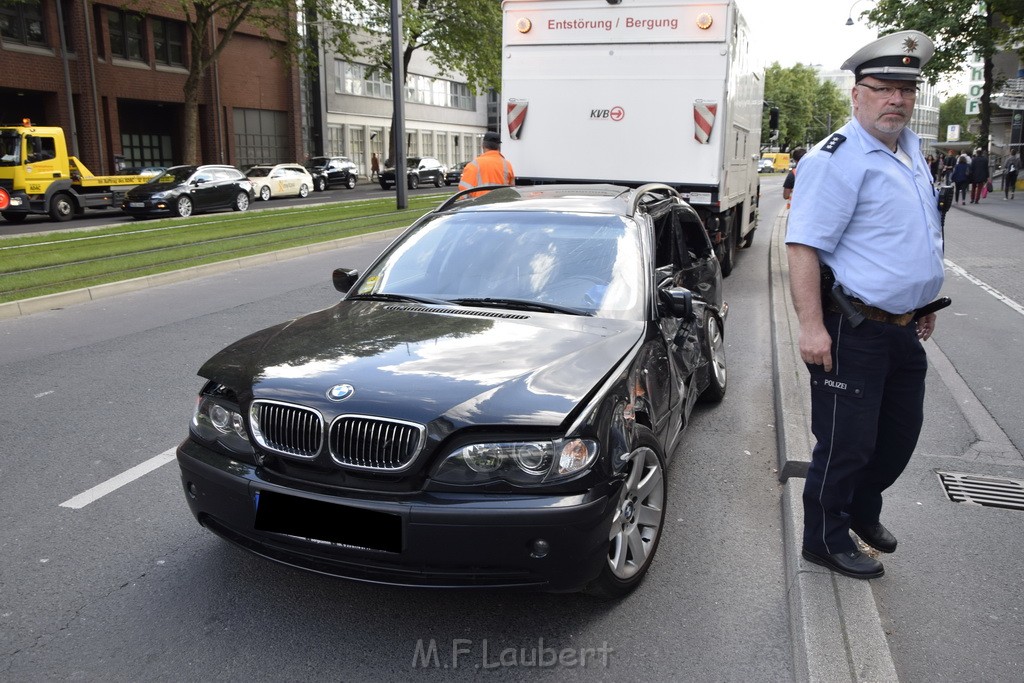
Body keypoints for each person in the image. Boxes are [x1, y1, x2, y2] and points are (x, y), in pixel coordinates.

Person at [785, 31, 945, 580]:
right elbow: (803, 245)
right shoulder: (838, 157)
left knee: (898, 439)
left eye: (906, 89)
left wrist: (923, 300)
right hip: (853, 330)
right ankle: (824, 539)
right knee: (845, 445)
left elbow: (910, 235)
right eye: (883, 88)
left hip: (902, 329)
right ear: (857, 95)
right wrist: (811, 327)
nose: (896, 99)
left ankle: (860, 509)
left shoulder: (912, 150)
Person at [458, 131, 515, 196]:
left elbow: (464, 190)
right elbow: (512, 189)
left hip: (480, 204)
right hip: (501, 204)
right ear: (498, 146)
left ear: (483, 145)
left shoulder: (473, 165)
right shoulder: (507, 165)